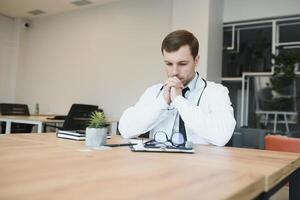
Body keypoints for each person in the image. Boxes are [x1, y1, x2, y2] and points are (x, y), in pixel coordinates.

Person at [118, 30, 236, 146]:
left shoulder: (216, 92)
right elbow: (126, 129)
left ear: (196, 60)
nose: (174, 72)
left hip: (199, 164)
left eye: (182, 64)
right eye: (169, 64)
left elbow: (222, 136)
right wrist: (162, 103)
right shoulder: (154, 92)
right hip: (159, 163)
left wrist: (179, 101)